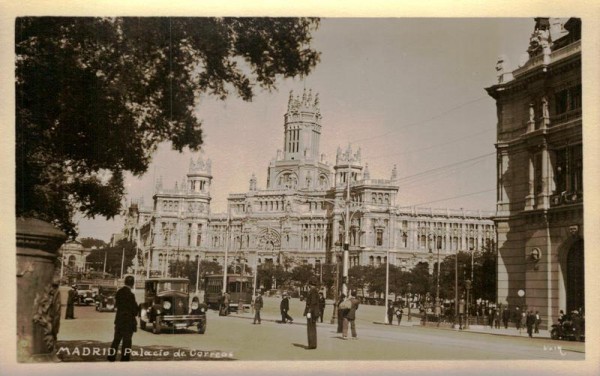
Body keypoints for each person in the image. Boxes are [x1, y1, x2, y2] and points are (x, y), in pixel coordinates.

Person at [107, 275, 138, 362]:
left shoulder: (119, 292)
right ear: (132, 283)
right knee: (127, 341)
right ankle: (124, 358)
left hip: (119, 320)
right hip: (128, 321)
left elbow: (116, 305)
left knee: (116, 339)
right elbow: (134, 310)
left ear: (125, 282)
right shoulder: (131, 295)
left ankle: (111, 356)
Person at [303, 279, 320, 349]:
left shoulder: (312, 291)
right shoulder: (315, 291)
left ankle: (311, 344)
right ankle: (313, 344)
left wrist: (309, 312)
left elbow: (312, 303)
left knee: (310, 328)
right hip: (314, 312)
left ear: (310, 285)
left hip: (311, 312)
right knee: (312, 327)